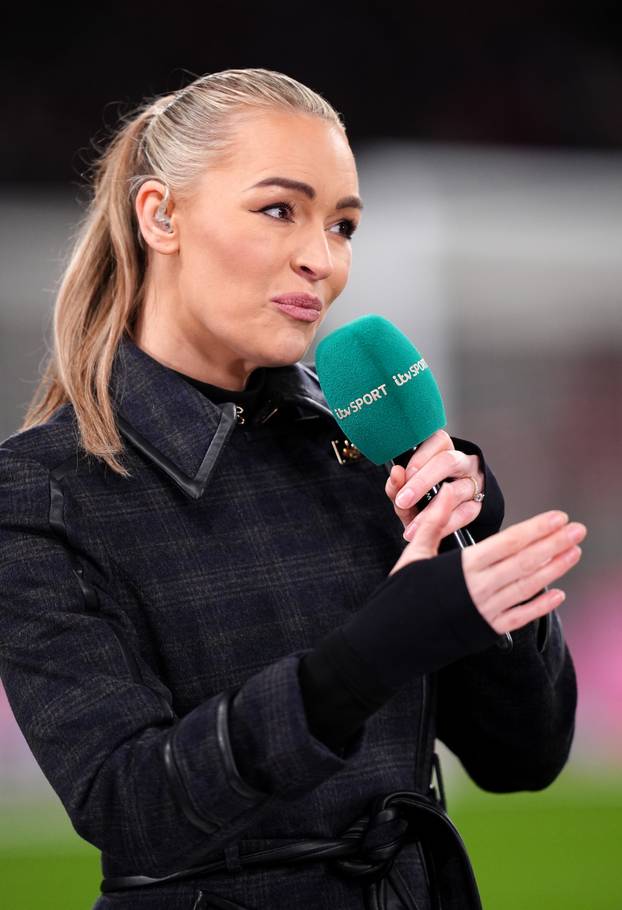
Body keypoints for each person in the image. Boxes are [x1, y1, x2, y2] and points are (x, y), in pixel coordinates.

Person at [0, 68, 584, 910]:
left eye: (343, 224)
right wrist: (370, 654)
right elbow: (134, 809)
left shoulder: (362, 453)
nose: (323, 259)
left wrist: (474, 544)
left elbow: (523, 759)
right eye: (280, 210)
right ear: (160, 216)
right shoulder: (41, 490)